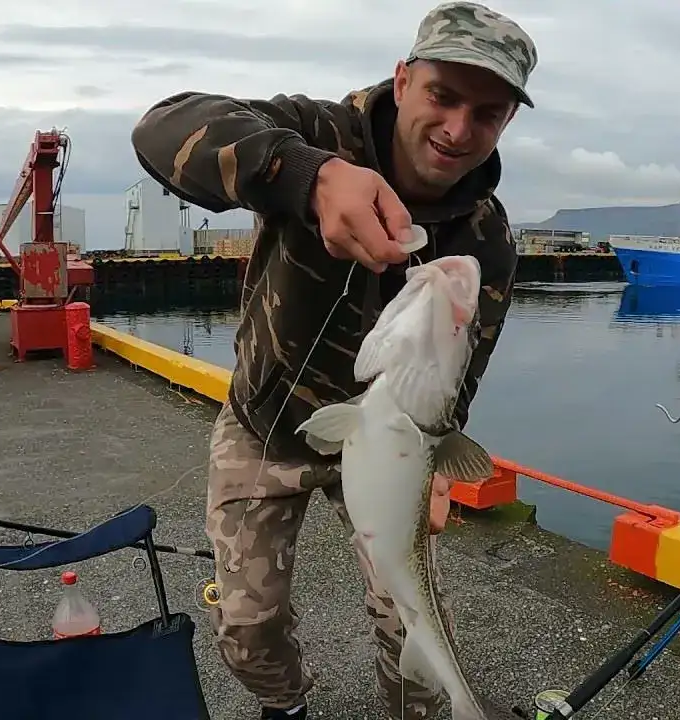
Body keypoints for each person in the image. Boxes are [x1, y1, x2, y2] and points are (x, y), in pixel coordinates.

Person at [129, 2, 537, 718]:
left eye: (488, 112)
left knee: (410, 620)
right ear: (403, 78)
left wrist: (439, 459)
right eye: (443, 95)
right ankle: (283, 705)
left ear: (507, 121)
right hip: (267, 423)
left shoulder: (488, 238)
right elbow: (162, 127)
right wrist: (309, 176)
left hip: (391, 449)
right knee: (247, 626)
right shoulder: (317, 134)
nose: (457, 129)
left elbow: (462, 370)